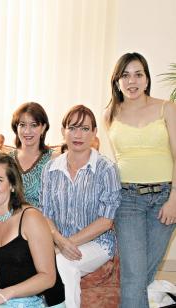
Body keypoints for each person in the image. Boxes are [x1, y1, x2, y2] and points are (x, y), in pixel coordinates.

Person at [104, 52, 176, 308]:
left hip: (165, 199)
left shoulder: (166, 107)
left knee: (141, 274)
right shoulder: (110, 114)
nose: (132, 81)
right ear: (117, 81)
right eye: (125, 75)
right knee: (134, 276)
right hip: (127, 200)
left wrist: (174, 199)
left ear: (146, 79)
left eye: (138, 74)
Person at [40, 105, 121, 308]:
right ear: (63, 131)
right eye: (73, 128)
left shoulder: (106, 169)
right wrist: (59, 241)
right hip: (60, 240)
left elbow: (106, 220)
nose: (78, 135)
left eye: (85, 129)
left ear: (94, 133)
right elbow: (45, 213)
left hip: (99, 243)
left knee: (64, 263)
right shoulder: (51, 169)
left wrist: (67, 244)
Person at [0, 149, 65, 308]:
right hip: (8, 300)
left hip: (45, 302)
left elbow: (47, 277)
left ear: (12, 184)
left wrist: (5, 294)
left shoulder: (31, 218)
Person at [10, 102, 58, 208]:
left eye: (34, 125)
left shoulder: (54, 159)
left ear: (43, 128)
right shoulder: (7, 160)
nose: (27, 131)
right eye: (22, 125)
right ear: (16, 127)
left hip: (42, 221)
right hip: (11, 221)